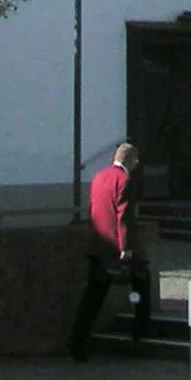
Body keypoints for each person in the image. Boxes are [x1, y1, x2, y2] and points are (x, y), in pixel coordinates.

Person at [67, 142, 150, 359]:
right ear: (131, 161)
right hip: (116, 247)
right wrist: (126, 248)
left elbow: (94, 209)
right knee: (141, 284)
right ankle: (139, 336)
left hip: (98, 245)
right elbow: (124, 216)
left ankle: (77, 340)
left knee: (93, 295)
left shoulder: (98, 176)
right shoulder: (125, 180)